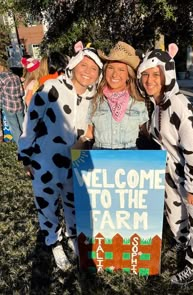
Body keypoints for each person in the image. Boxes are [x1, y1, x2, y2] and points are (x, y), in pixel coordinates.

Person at [137, 44, 193, 285]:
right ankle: (184, 248)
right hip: (175, 178)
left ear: (167, 75)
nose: (150, 80)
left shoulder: (178, 103)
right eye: (146, 74)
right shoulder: (158, 106)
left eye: (156, 74)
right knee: (176, 220)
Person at [18, 41, 103, 271]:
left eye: (94, 68)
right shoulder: (50, 88)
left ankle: (74, 236)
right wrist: (25, 155)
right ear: (74, 64)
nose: (88, 71)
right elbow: (30, 121)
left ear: (98, 74)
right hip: (45, 161)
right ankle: (54, 242)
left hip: (76, 163)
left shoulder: (94, 99)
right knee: (47, 205)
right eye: (84, 65)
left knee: (74, 203)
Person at [77, 41, 149, 149]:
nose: (115, 74)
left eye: (121, 70)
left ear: (128, 75)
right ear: (105, 71)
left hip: (130, 163)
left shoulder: (138, 103)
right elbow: (88, 133)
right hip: (100, 162)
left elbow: (149, 134)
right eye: (110, 68)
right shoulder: (95, 100)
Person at [0, 61, 25, 145]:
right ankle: (29, 143)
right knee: (23, 125)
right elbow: (21, 93)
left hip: (8, 105)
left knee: (15, 128)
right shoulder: (16, 76)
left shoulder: (1, 78)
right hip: (18, 104)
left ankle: (21, 147)